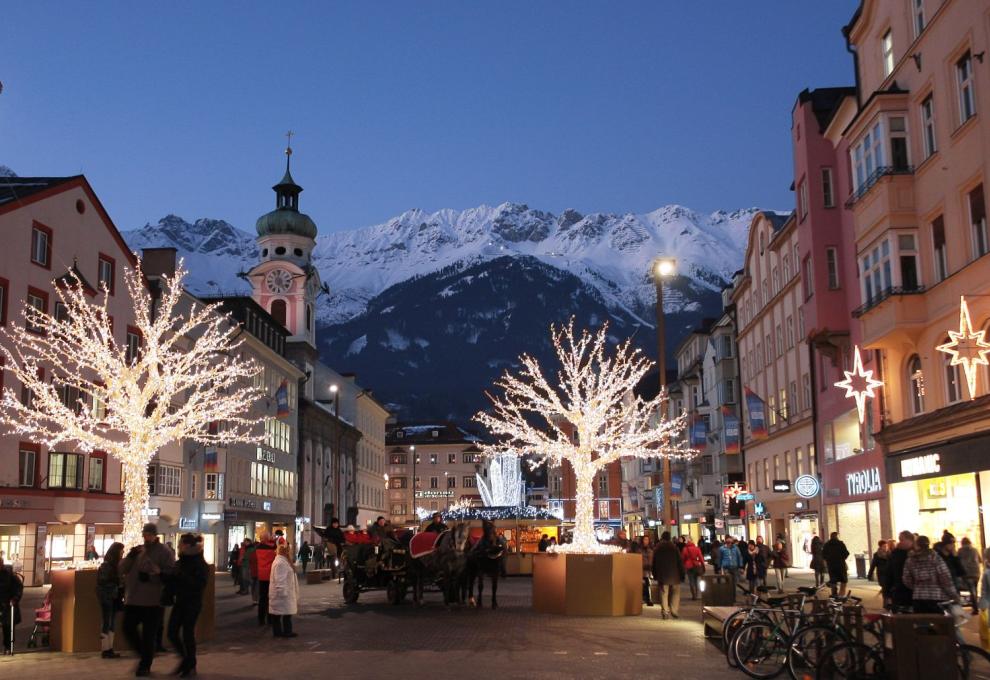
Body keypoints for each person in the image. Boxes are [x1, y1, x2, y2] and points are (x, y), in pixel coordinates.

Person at [120, 523, 175, 677]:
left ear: (155, 535)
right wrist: (130, 556)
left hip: (153, 601)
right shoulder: (138, 550)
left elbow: (169, 574)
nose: (146, 537)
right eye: (145, 534)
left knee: (148, 635)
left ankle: (145, 664)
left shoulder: (164, 552)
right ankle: (143, 654)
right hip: (133, 599)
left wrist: (153, 576)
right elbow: (121, 569)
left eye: (149, 534)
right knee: (127, 628)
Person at [167, 534, 208, 677]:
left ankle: (190, 664)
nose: (178, 546)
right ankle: (187, 661)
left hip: (192, 603)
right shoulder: (181, 561)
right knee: (171, 632)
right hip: (180, 601)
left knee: (187, 634)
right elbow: (173, 580)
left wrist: (181, 576)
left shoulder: (199, 563)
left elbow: (200, 584)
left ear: (188, 545)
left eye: (181, 544)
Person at [903, 535, 958, 614]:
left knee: (921, 623)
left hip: (918, 598)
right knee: (938, 624)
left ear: (916, 545)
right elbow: (945, 577)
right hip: (937, 597)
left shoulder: (910, 560)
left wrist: (916, 587)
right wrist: (953, 595)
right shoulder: (935, 558)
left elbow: (906, 579)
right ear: (928, 545)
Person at [97, 542, 125, 659]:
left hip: (113, 597)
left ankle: (109, 648)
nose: (122, 553)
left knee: (111, 622)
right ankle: (106, 649)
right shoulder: (107, 565)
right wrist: (118, 580)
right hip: (108, 597)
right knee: (108, 622)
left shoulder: (114, 565)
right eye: (121, 551)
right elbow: (104, 581)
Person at [651, 531, 685, 620]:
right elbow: (679, 562)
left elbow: (654, 563)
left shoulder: (657, 548)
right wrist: (682, 574)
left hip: (662, 575)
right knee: (675, 593)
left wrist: (654, 574)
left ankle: (665, 611)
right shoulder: (674, 548)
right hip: (675, 574)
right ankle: (674, 610)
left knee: (664, 593)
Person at [269, 543, 299, 638]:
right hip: (282, 595)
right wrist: (282, 593)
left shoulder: (283, 561)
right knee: (280, 615)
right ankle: (284, 632)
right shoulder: (280, 563)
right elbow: (280, 580)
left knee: (283, 614)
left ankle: (284, 631)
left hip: (284, 594)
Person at [883, 531, 915, 611]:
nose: (899, 542)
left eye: (902, 540)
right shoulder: (895, 554)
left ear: (910, 540)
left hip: (914, 592)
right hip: (898, 591)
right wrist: (886, 594)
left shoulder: (916, 553)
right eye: (899, 540)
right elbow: (888, 574)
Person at [251, 533, 277, 626]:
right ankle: (270, 619)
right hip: (270, 575)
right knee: (270, 598)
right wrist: (273, 540)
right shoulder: (271, 548)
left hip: (261, 575)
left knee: (262, 598)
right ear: (267, 538)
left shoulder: (257, 548)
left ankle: (261, 619)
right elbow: (275, 550)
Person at [0, 556, 23, 656]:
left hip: (8, 603)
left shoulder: (9, 574)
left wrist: (15, 598)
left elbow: (18, 587)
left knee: (8, 626)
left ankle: (8, 646)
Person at [957, 537, 981, 614]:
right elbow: (980, 560)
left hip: (967, 573)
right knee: (975, 590)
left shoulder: (960, 551)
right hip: (976, 573)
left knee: (972, 591)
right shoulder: (975, 550)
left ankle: (975, 608)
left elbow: (957, 561)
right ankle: (976, 606)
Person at [640, 535, 655, 606]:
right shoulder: (639, 549)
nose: (646, 541)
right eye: (644, 539)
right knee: (643, 584)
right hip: (642, 569)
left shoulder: (651, 549)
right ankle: (644, 598)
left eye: (647, 540)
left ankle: (649, 599)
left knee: (648, 584)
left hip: (649, 569)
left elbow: (653, 558)